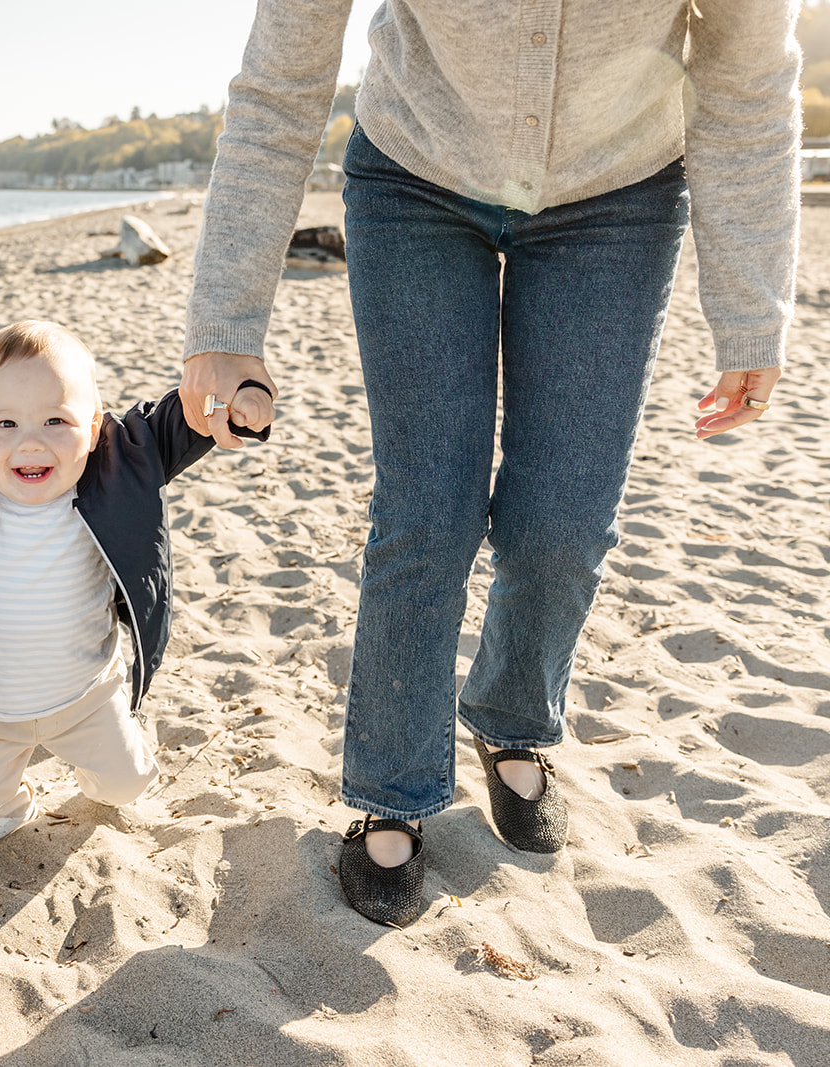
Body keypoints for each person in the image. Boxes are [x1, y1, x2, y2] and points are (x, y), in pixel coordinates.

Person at [179, 0, 799, 925]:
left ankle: (511, 720)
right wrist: (227, 322)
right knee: (431, 509)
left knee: (564, 520)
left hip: (616, 197)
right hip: (415, 182)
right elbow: (280, 84)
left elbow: (747, 86)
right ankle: (390, 792)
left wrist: (751, 314)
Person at [0, 320, 272, 851]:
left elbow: (183, 420)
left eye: (56, 420)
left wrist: (231, 405)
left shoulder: (115, 468)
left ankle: (98, 773)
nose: (30, 443)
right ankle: (10, 807)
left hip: (88, 695)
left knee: (125, 785)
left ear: (95, 425)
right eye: (5, 424)